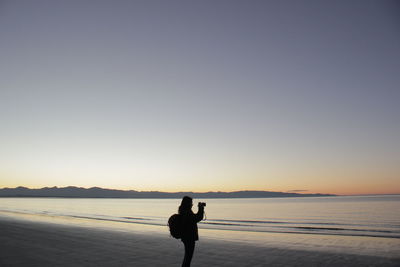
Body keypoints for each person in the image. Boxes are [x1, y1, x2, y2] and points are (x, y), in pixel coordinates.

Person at [178, 196, 205, 267]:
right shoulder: (187, 211)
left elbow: (194, 218)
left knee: (187, 256)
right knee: (188, 257)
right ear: (187, 203)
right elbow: (197, 218)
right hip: (189, 237)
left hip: (186, 236)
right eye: (191, 202)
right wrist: (201, 208)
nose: (192, 204)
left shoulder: (183, 210)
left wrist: (200, 208)